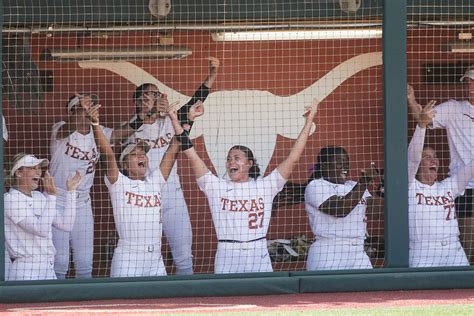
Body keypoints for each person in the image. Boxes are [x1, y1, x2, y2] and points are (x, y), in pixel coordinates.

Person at [177, 98, 319, 274]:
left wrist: (309, 120)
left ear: (250, 163)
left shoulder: (266, 186)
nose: (231, 162)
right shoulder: (216, 186)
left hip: (258, 251)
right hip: (227, 254)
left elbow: (293, 158)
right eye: (228, 159)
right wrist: (178, 121)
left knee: (264, 300)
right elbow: (191, 154)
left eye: (236, 158)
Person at [125, 57, 219, 275]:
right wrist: (150, 113)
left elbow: (198, 99)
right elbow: (138, 123)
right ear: (138, 102)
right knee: (147, 255)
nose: (156, 99)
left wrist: (212, 73)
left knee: (184, 256)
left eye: (158, 95)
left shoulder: (171, 120)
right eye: (149, 96)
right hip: (144, 198)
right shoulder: (130, 127)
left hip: (173, 195)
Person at [91, 98, 201, 277]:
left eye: (143, 153)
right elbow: (108, 155)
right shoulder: (119, 183)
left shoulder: (155, 182)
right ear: (124, 165)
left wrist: (187, 120)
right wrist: (95, 124)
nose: (141, 155)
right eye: (134, 154)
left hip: (156, 260)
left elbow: (173, 148)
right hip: (128, 258)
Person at [50, 93, 139, 279]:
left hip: (82, 202)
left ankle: (86, 305)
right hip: (57, 201)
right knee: (60, 261)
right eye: (82, 109)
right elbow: (70, 127)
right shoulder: (60, 129)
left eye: (90, 108)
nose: (88, 112)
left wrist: (144, 117)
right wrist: (80, 109)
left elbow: (123, 133)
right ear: (72, 112)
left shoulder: (100, 132)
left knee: (84, 261)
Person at [408, 65, 474, 262]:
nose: (470, 85)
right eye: (468, 81)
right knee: (469, 247)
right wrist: (411, 100)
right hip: (464, 188)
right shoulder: (454, 108)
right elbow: (423, 119)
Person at [4, 153, 82, 281]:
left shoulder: (39, 197)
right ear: (18, 173)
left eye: (39, 168)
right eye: (32, 168)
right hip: (26, 270)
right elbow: (41, 230)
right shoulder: (10, 199)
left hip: (48, 268)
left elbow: (67, 225)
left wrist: (71, 192)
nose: (38, 171)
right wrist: (52, 196)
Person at [303, 145, 380, 271]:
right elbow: (340, 209)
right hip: (328, 251)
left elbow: (376, 211)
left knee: (369, 290)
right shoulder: (316, 186)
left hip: (358, 251)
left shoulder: (354, 185)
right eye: (339, 162)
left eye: (346, 162)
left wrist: (384, 190)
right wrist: (364, 181)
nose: (344, 166)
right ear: (324, 166)